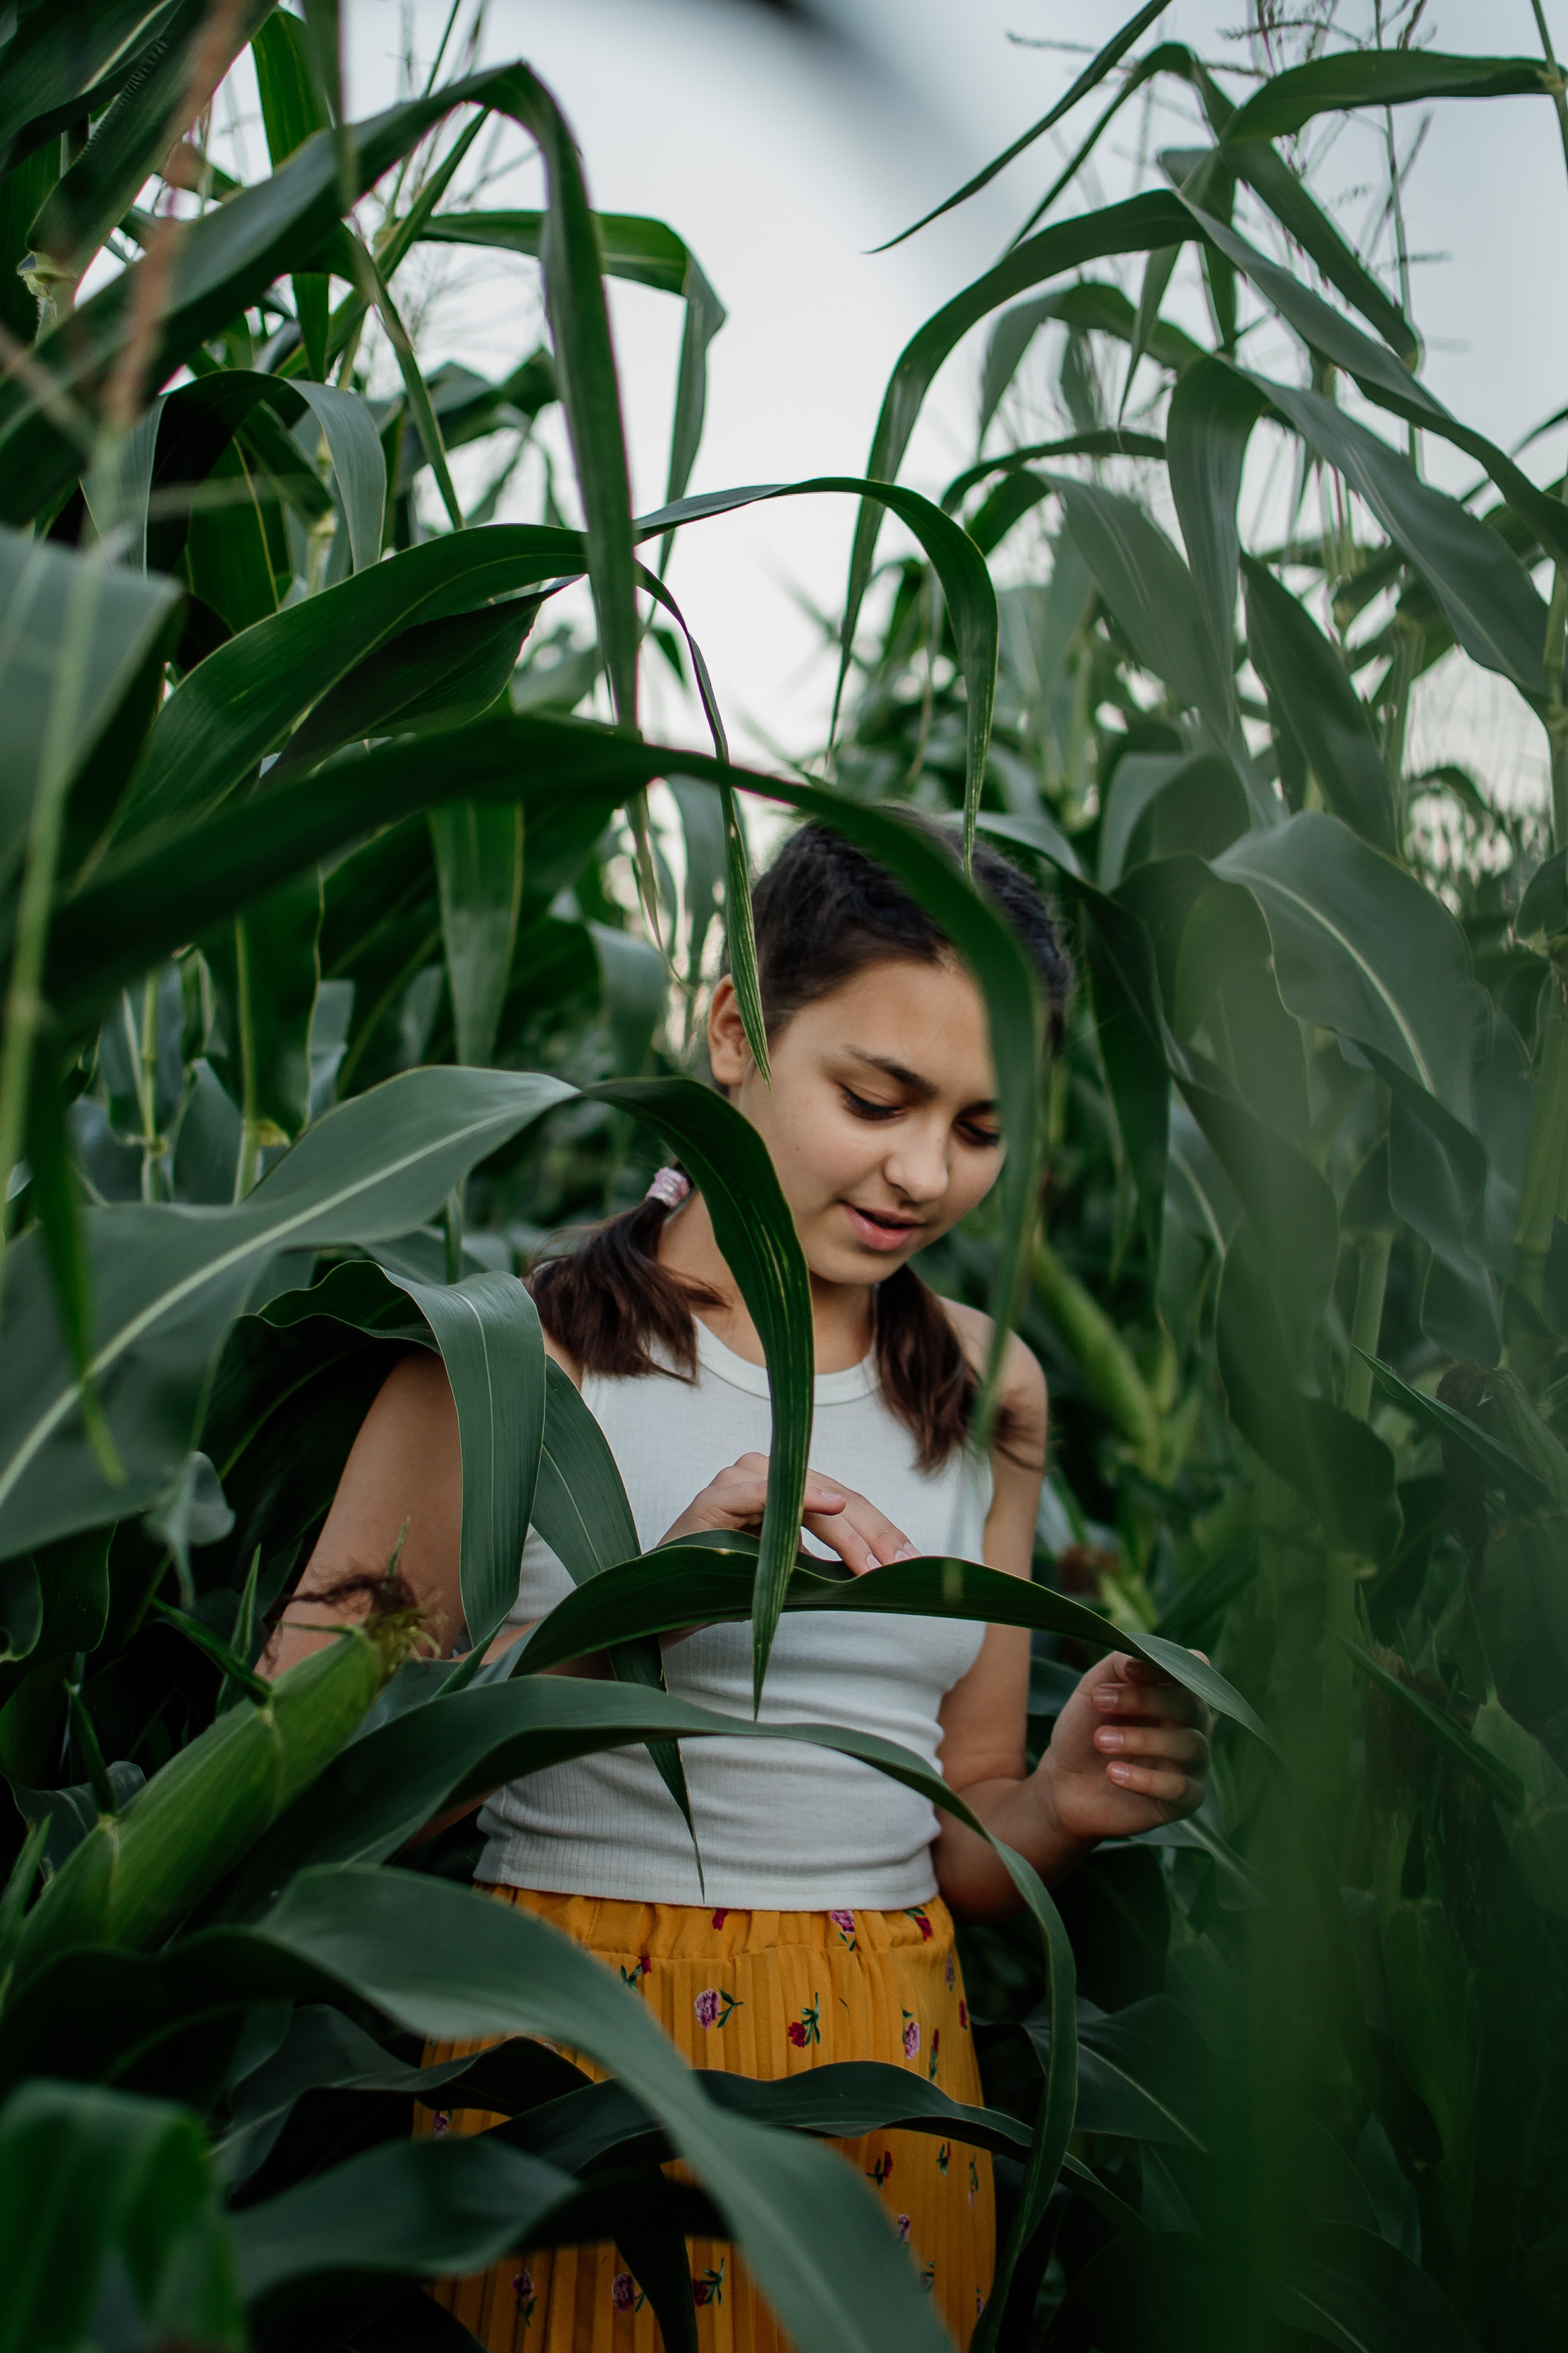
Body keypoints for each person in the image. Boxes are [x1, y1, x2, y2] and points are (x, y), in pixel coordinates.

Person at [262, 816, 1210, 2352]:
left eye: (984, 1128)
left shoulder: (990, 1393)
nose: (924, 1173)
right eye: (875, 1099)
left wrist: (1060, 1797)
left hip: (892, 2075)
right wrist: (637, 1616)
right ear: (732, 1031)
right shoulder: (506, 1358)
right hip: (569, 2069)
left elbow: (955, 1828)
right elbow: (300, 1794)